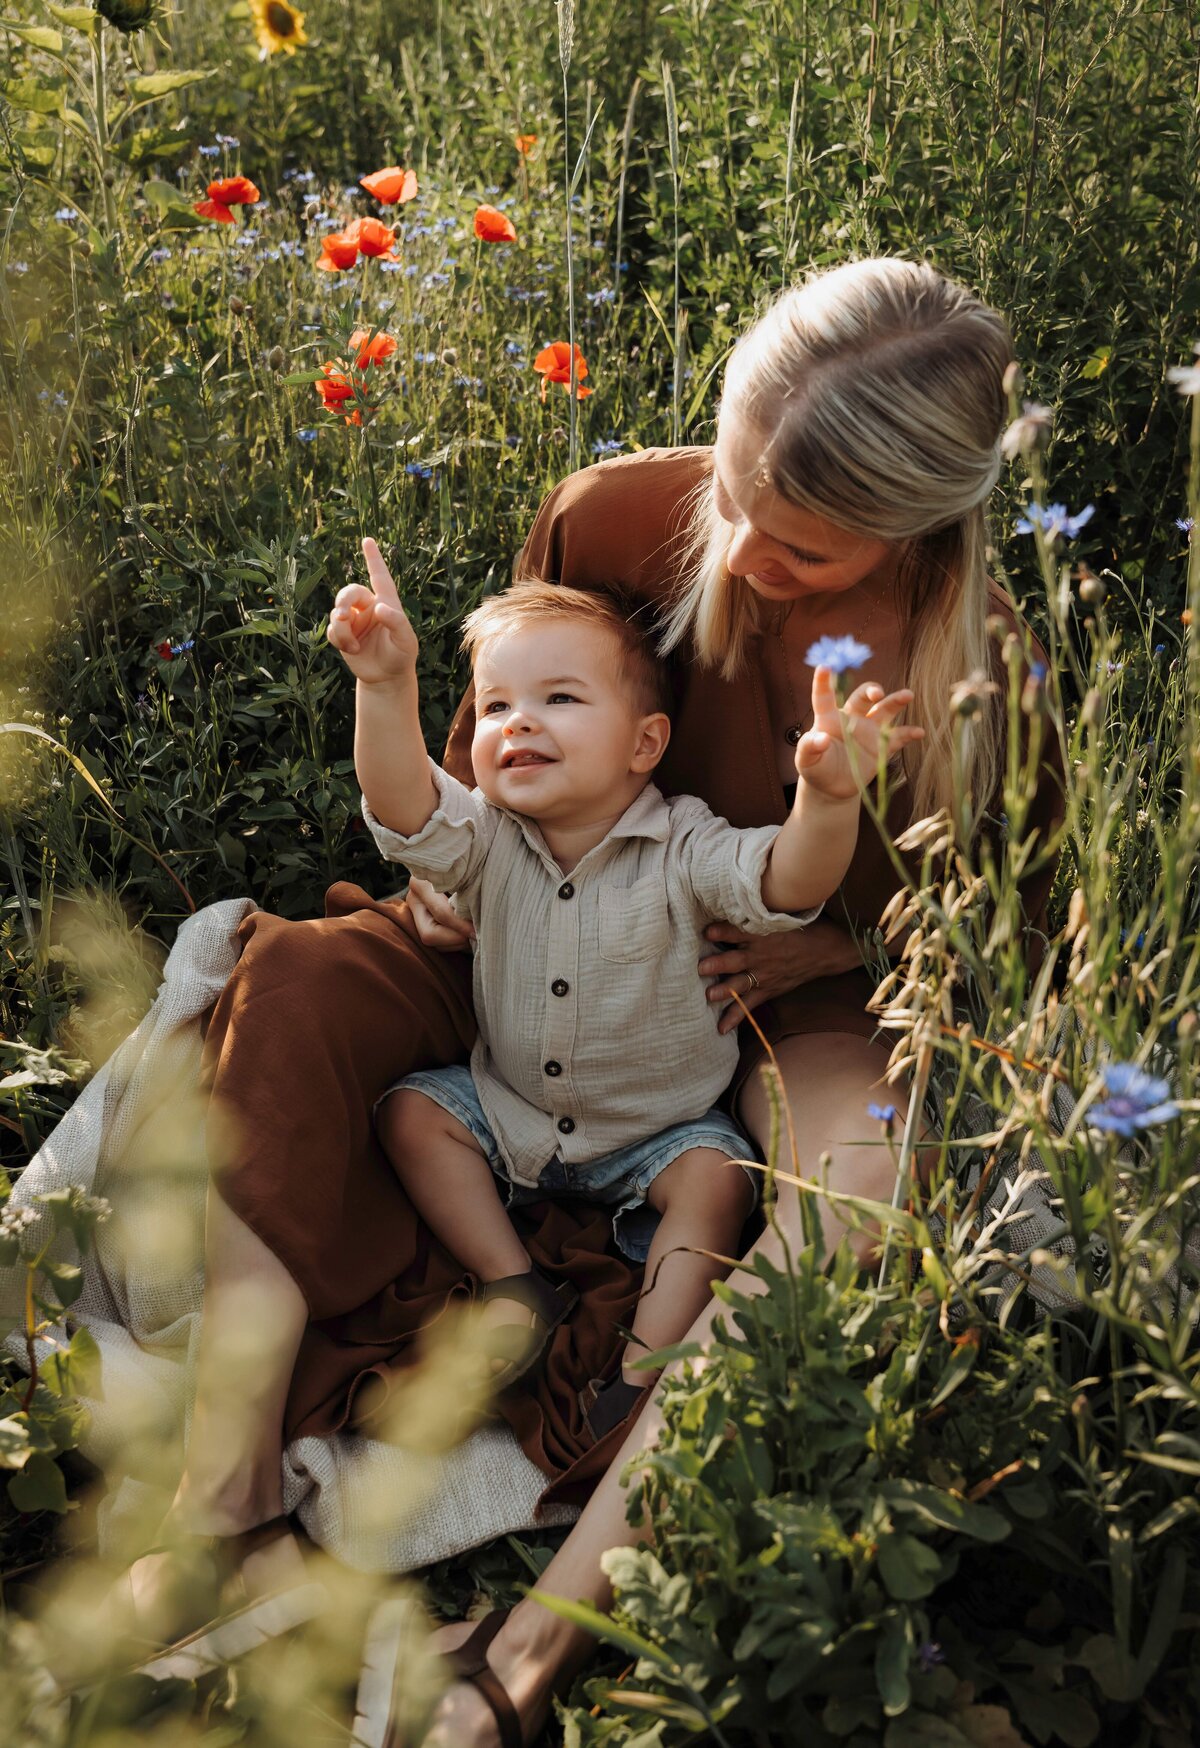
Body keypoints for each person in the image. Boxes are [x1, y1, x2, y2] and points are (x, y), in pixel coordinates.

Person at [124, 257, 1062, 1715]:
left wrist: (860, 944)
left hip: (761, 985)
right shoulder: (618, 512)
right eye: (738, 498)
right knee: (291, 980)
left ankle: (532, 1647)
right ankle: (223, 1505)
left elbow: (1017, 931)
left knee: (867, 1176)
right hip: (523, 931)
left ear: (917, 523)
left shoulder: (975, 667)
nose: (741, 553)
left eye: (801, 551)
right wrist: (436, 872)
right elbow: (484, 763)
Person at [327, 565, 922, 1438]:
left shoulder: (683, 843)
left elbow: (784, 884)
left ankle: (644, 1371)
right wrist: (385, 683)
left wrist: (827, 803)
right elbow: (402, 803)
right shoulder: (487, 843)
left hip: (663, 1130)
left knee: (720, 1182)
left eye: (560, 698)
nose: (518, 721)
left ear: (645, 744)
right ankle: (512, 1285)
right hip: (516, 1110)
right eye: (495, 708)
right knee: (412, 1116)